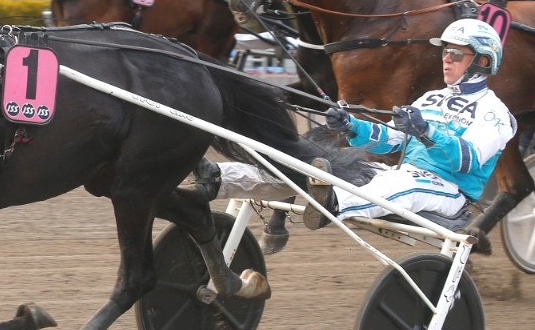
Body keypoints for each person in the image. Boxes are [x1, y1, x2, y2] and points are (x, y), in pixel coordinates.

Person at [200, 19, 517, 229]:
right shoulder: (430, 98)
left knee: (396, 186)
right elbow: (391, 139)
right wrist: (352, 126)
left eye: (455, 54)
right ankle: (220, 178)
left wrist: (426, 131)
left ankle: (333, 203)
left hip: (448, 190)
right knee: (309, 165)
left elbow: (469, 159)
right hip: (400, 173)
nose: (445, 59)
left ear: (482, 62)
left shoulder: (495, 113)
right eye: (445, 52)